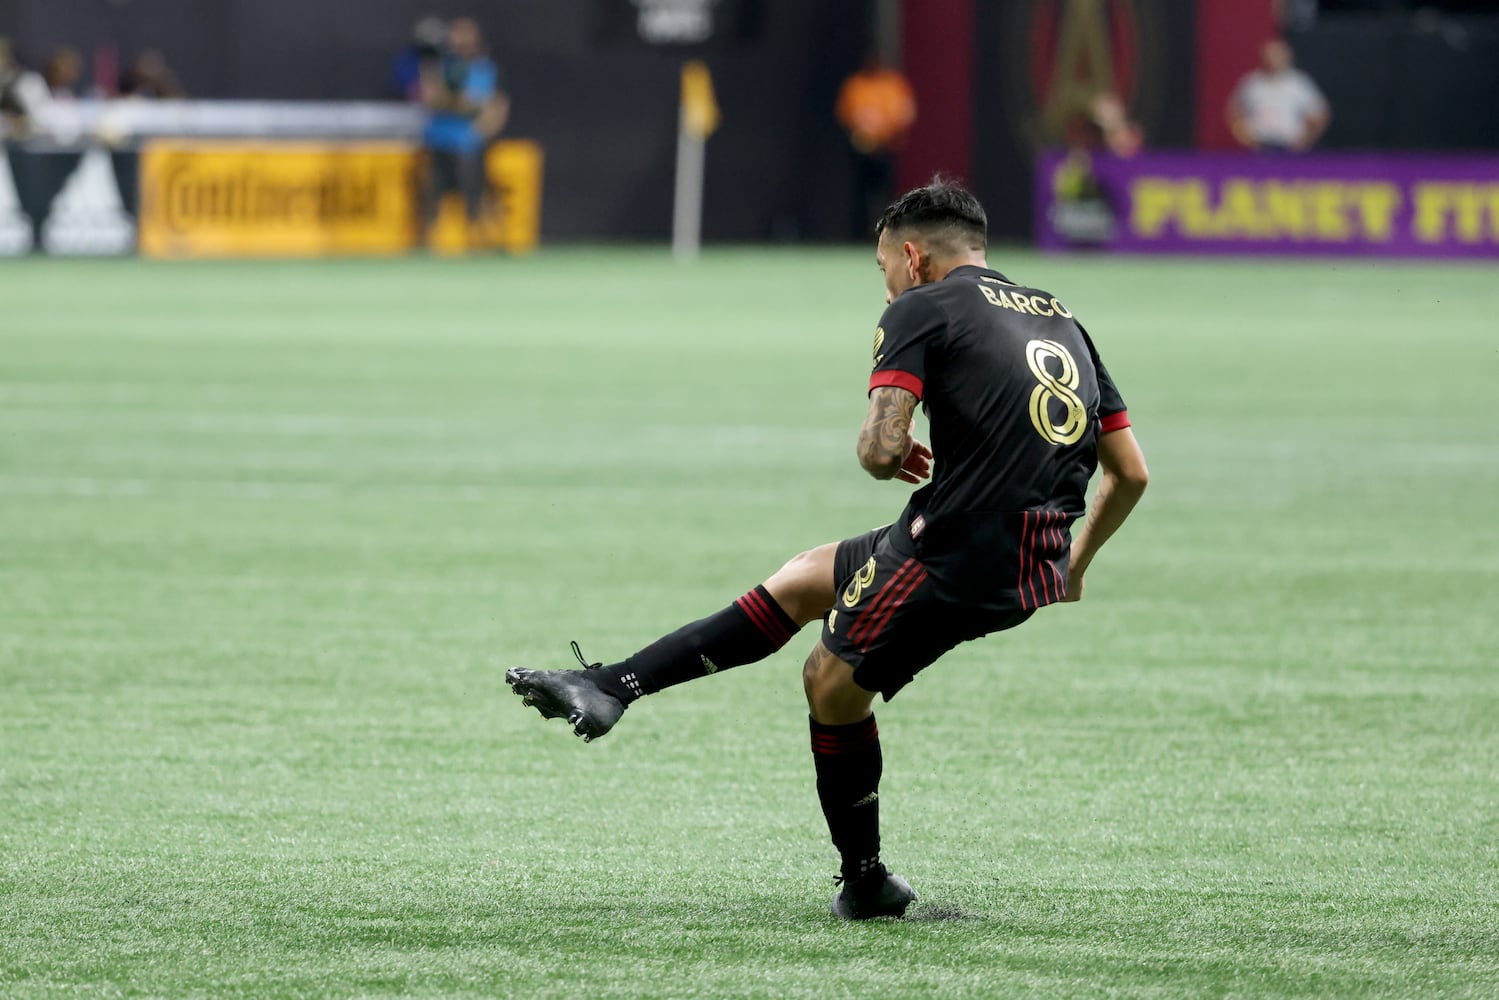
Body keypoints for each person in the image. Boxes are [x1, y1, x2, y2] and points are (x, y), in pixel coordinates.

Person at [506, 180, 1149, 919]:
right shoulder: (1061, 317)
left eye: (883, 269)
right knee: (809, 577)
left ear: (912, 256)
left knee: (830, 683)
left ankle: (865, 880)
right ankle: (611, 685)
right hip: (1025, 552)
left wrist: (889, 443)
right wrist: (1072, 566)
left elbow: (879, 453)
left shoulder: (920, 307)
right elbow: (1128, 471)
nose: (885, 286)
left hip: (957, 549)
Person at [420, 17, 509, 245]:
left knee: (474, 195)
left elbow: (493, 106)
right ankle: (428, 243)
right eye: (456, 34)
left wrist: (480, 129)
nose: (459, 40)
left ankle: (478, 241)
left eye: (465, 34)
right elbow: (433, 98)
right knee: (432, 195)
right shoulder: (442, 66)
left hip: (468, 144)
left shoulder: (484, 68)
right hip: (439, 140)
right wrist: (458, 101)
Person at [835, 54, 916, 241]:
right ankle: (859, 235)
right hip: (860, 149)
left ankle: (888, 234)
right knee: (860, 195)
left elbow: (904, 113)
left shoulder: (893, 84)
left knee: (886, 194)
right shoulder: (856, 84)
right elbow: (845, 112)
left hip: (885, 148)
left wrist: (884, 131)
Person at [1227, 37, 1329, 153]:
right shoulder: (1251, 84)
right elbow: (1235, 115)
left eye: (1277, 54)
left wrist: (1306, 140)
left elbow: (1320, 115)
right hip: (1260, 146)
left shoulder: (1299, 83)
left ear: (1287, 56)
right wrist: (1246, 140)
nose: (1273, 59)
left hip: (1290, 146)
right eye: (1269, 54)